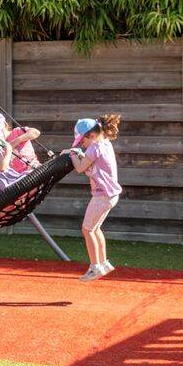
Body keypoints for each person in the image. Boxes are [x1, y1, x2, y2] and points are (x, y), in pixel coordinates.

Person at [69, 114, 123, 282]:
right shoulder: (104, 143)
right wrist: (78, 153)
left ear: (91, 136)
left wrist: (72, 155)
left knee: (87, 229)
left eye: (82, 142)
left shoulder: (94, 148)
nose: (81, 145)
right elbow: (90, 163)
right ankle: (104, 263)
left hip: (102, 196)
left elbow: (79, 167)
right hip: (111, 195)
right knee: (95, 228)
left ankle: (95, 267)